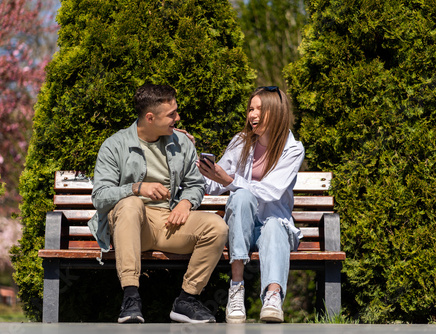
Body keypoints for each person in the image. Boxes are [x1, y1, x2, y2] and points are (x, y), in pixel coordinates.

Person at [88, 84, 228, 324]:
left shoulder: (182, 143)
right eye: (171, 114)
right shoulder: (115, 145)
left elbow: (196, 184)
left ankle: (187, 300)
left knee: (217, 226)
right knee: (131, 205)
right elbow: (100, 197)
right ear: (150, 118)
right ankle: (131, 298)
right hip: (129, 224)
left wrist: (185, 203)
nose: (178, 118)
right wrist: (136, 188)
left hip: (166, 221)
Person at [197, 86, 305, 323]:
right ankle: (236, 289)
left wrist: (230, 180)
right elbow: (217, 184)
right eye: (250, 109)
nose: (252, 115)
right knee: (241, 197)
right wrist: (204, 171)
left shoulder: (292, 148)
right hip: (240, 227)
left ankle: (273, 298)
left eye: (259, 109)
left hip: (273, 226)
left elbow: (272, 191)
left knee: (275, 225)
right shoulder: (241, 142)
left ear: (276, 112)